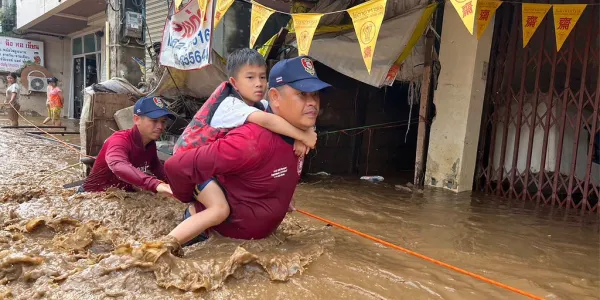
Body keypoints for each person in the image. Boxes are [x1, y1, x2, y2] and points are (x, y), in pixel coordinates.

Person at [163, 56, 331, 251]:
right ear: (275, 97)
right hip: (207, 239)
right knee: (218, 210)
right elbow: (175, 166)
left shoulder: (301, 135)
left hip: (252, 247)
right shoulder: (250, 139)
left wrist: (284, 196)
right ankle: (158, 247)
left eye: (315, 95)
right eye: (302, 94)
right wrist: (186, 196)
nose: (313, 103)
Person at [81, 96, 174, 195]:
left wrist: (178, 185)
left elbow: (158, 169)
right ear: (137, 119)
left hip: (124, 195)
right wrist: (155, 184)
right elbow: (118, 165)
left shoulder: (150, 144)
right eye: (154, 120)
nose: (160, 126)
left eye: (163, 121)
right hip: (94, 196)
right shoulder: (119, 140)